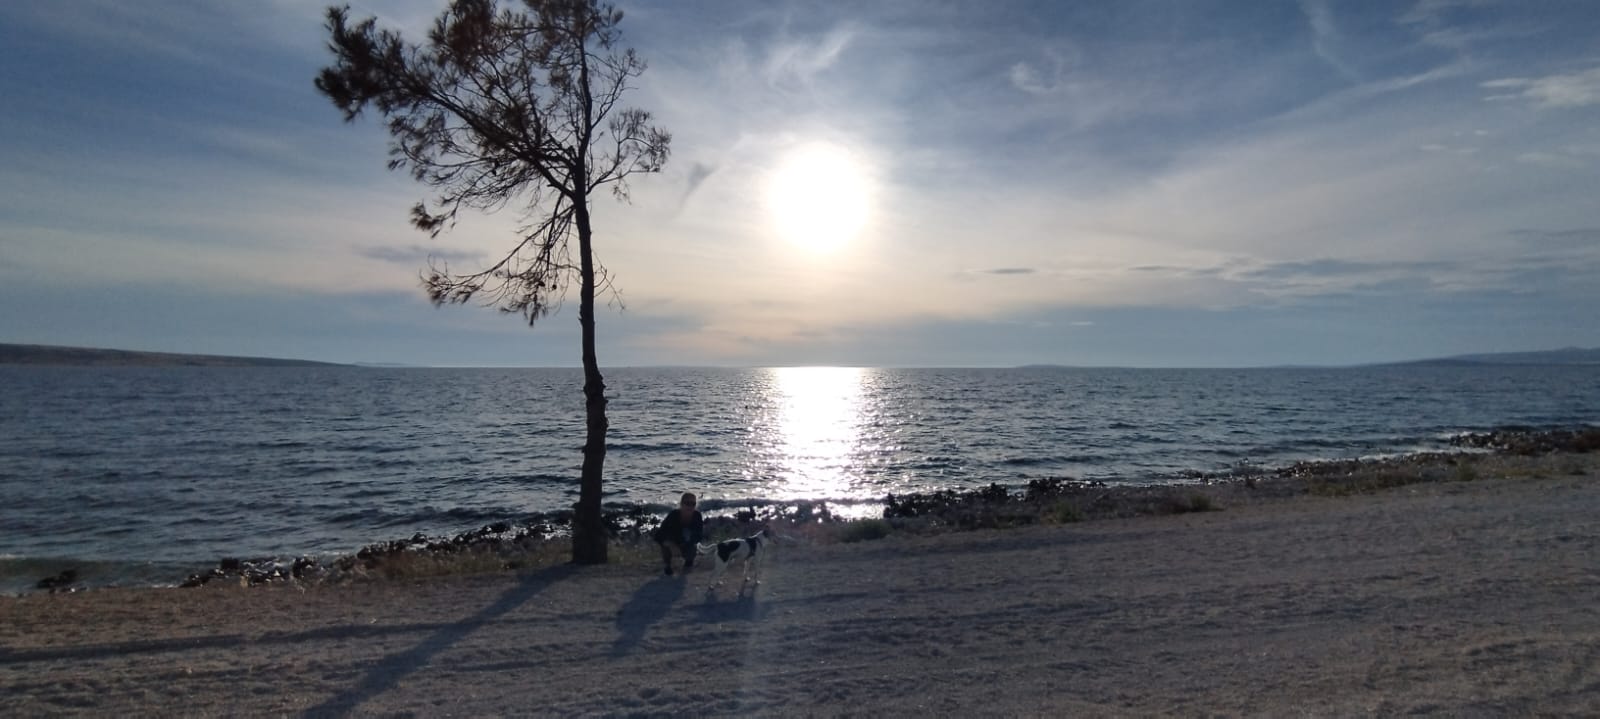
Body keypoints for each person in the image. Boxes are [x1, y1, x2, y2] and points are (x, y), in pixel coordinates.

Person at [655, 492, 704, 576]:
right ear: (681, 504)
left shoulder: (697, 516)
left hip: (687, 543)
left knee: (693, 549)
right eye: (687, 503)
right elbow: (659, 535)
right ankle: (668, 565)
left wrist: (688, 542)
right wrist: (671, 544)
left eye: (693, 503)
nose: (690, 506)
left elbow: (699, 536)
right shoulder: (673, 515)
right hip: (673, 541)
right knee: (665, 545)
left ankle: (688, 563)